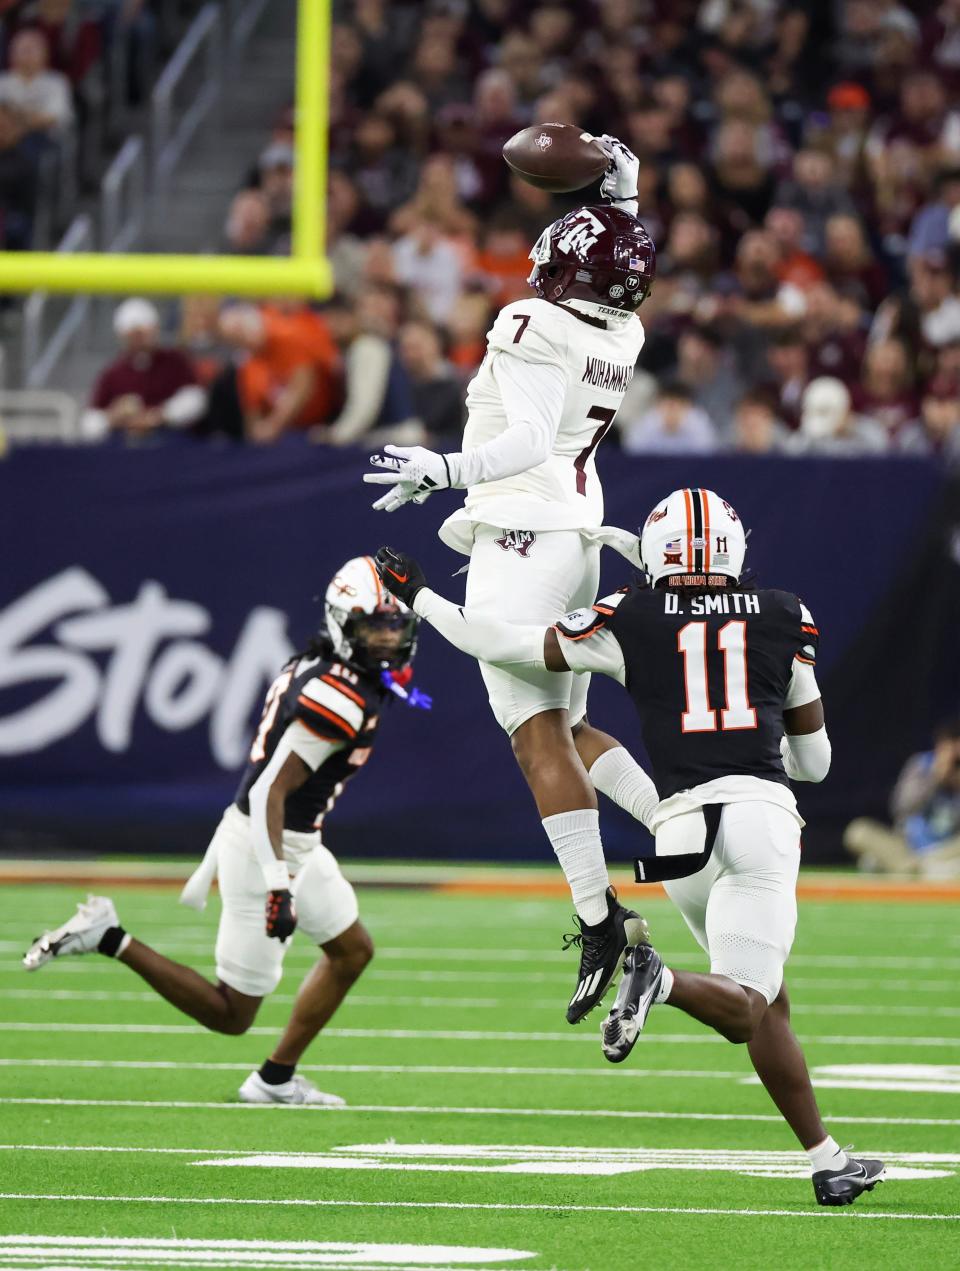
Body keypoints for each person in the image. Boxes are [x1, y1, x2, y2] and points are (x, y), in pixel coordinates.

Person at [373, 484, 885, 1209]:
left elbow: (497, 640)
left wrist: (419, 592)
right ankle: (659, 978)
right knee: (746, 1000)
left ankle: (826, 1158)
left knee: (765, 1004)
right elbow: (815, 763)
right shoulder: (785, 613)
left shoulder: (630, 613)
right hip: (757, 819)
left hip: (678, 834)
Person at [363, 136, 661, 1025]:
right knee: (567, 726)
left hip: (525, 530)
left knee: (536, 737)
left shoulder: (534, 324)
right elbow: (623, 248)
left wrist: (444, 468)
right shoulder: (626, 324)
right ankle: (679, 821)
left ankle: (599, 917)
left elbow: (527, 440)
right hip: (573, 531)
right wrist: (626, 187)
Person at [23, 556, 428, 1107]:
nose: (385, 640)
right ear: (341, 625)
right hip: (267, 844)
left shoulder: (330, 667)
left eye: (392, 627)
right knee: (232, 1013)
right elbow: (267, 794)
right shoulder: (338, 695)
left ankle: (275, 1079)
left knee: (352, 951)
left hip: (297, 840)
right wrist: (277, 883)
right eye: (372, 628)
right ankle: (109, 935)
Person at [845, 718, 960, 877]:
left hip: (946, 850)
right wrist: (936, 778)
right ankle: (918, 870)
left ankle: (904, 870)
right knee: (858, 831)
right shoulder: (921, 765)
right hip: (908, 846)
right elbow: (901, 808)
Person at [84, 299, 206, 440]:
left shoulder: (175, 361)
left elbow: (195, 401)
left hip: (170, 442)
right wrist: (114, 416)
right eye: (133, 335)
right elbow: (90, 423)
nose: (139, 340)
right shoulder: (114, 372)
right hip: (125, 446)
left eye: (142, 334)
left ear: (154, 330)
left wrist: (158, 416)